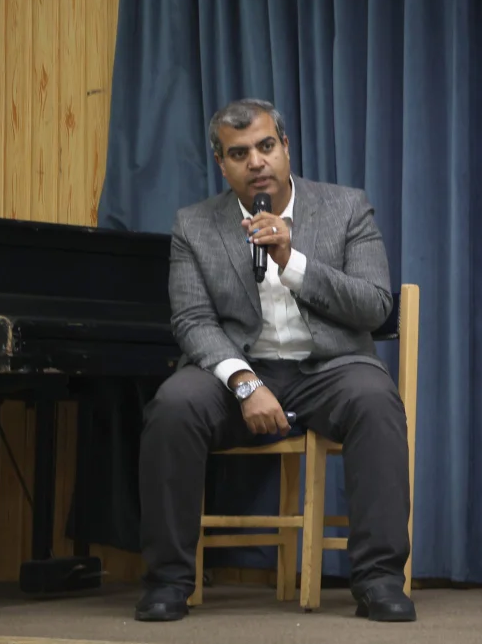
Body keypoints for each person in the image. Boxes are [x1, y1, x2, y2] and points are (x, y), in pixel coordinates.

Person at [134, 99, 414, 623]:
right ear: (222, 164)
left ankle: (379, 581)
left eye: (266, 146)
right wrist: (244, 382)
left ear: (286, 147)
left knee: (377, 403)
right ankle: (167, 581)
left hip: (330, 368)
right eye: (239, 153)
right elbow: (192, 320)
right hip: (239, 370)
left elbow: (375, 305)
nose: (256, 162)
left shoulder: (346, 208)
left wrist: (294, 262)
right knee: (172, 407)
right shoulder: (194, 225)